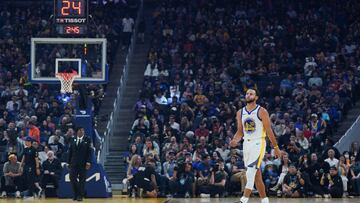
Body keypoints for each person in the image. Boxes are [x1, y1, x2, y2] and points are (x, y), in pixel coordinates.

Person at [230, 88, 281, 203]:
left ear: (256, 97)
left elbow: (269, 131)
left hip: (259, 142)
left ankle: (244, 200)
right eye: (247, 94)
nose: (248, 95)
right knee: (257, 176)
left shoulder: (262, 111)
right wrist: (235, 140)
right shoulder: (240, 112)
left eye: (251, 94)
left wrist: (276, 148)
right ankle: (265, 200)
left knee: (250, 171)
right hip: (246, 144)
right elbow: (240, 131)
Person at [68, 127, 92, 201]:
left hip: (83, 163)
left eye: (83, 130)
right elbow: (70, 152)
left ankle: (79, 196)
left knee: (82, 180)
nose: (82, 131)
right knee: (72, 178)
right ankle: (77, 193)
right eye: (80, 130)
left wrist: (88, 162)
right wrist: (68, 162)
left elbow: (89, 152)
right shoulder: (72, 139)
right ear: (77, 132)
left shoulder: (87, 140)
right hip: (74, 163)